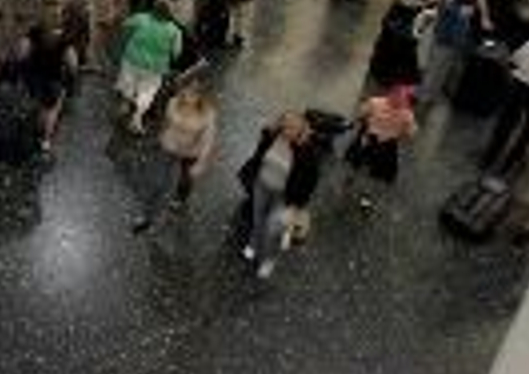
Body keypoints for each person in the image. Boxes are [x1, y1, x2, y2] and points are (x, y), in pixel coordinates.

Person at [238, 112, 325, 280]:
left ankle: (269, 259)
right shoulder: (271, 137)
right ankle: (253, 243)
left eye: (293, 128)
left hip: (284, 196)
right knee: (258, 219)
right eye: (285, 126)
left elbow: (311, 181)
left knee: (273, 229)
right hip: (262, 186)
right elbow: (258, 157)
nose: (287, 131)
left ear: (301, 130)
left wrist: (298, 205)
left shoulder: (306, 151)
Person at [132, 77, 218, 233]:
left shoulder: (208, 114)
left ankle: (164, 215)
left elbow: (208, 140)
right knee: (157, 184)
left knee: (175, 185)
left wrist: (201, 162)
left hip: (188, 154)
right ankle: (147, 215)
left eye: (195, 92)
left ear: (202, 95)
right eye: (187, 89)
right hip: (167, 148)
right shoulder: (173, 103)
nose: (189, 95)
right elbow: (165, 123)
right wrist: (159, 139)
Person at [344, 86, 417, 211]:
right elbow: (361, 114)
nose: (398, 101)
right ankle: (352, 178)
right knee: (357, 162)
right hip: (371, 138)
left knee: (376, 173)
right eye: (396, 95)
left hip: (385, 143)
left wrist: (400, 133)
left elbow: (411, 133)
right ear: (390, 94)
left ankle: (366, 195)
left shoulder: (407, 115)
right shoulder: (376, 102)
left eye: (403, 99)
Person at [116, 0, 184, 134]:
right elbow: (176, 53)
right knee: (146, 93)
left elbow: (124, 27)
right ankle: (136, 119)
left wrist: (125, 42)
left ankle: (125, 104)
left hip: (132, 59)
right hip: (155, 68)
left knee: (127, 83)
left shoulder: (140, 19)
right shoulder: (174, 31)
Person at [482, 36, 529, 180]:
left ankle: (488, 158)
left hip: (519, 86)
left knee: (505, 123)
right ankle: (509, 165)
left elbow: (512, 62)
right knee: (526, 129)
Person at [18, 21, 79, 155]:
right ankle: (45, 141)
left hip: (34, 77)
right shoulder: (65, 40)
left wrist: (23, 66)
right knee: (52, 110)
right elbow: (73, 64)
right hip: (54, 79)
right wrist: (71, 78)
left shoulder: (35, 31)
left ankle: (34, 131)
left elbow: (22, 52)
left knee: (37, 104)